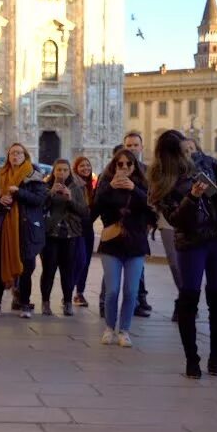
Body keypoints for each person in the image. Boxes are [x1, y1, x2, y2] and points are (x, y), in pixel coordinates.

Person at [149, 130, 217, 379]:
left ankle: (215, 358)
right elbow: (175, 219)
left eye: (188, 149)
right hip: (190, 243)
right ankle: (192, 360)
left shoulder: (204, 162)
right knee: (189, 298)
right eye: (182, 150)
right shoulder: (161, 178)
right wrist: (192, 196)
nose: (188, 153)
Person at [93, 149, 153, 347]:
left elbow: (153, 211)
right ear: (114, 166)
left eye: (128, 164)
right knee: (112, 291)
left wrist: (134, 189)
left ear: (134, 166)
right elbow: (94, 210)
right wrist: (109, 188)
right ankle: (110, 327)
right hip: (112, 244)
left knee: (131, 291)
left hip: (135, 245)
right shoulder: (106, 185)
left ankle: (125, 330)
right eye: (120, 164)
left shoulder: (142, 186)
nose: (124, 167)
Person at [0, 143, 48, 318]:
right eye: (12, 153)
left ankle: (24, 304)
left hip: (26, 227)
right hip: (3, 226)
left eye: (19, 153)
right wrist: (0, 200)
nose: (15, 156)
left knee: (26, 267)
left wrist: (18, 193)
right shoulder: (0, 175)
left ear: (25, 156)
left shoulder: (34, 175)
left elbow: (40, 199)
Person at [39, 159, 88, 316]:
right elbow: (39, 206)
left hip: (70, 234)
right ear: (53, 171)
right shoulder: (46, 186)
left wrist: (70, 200)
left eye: (65, 170)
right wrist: (50, 194)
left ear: (69, 172)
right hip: (51, 234)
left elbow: (84, 212)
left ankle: (67, 302)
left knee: (68, 270)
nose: (62, 173)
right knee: (49, 269)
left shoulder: (76, 188)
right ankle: (45, 302)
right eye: (59, 170)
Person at [121, 132, 155, 318]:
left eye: (135, 145)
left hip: (140, 223)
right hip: (122, 222)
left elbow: (152, 197)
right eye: (129, 145)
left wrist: (150, 222)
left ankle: (140, 298)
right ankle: (108, 301)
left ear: (141, 147)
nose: (132, 148)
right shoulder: (117, 169)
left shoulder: (147, 171)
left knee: (137, 264)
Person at [70, 156, 95, 307]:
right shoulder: (74, 185)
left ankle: (80, 292)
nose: (86, 168)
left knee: (85, 262)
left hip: (88, 229)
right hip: (76, 228)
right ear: (76, 168)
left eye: (88, 165)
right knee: (79, 261)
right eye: (82, 166)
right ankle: (70, 291)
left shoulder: (91, 186)